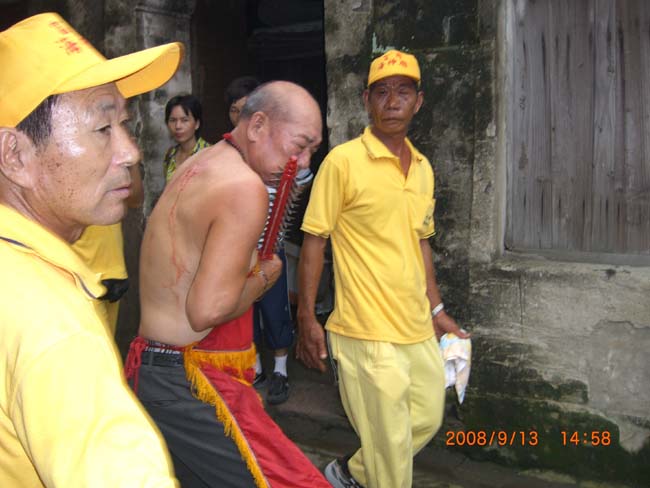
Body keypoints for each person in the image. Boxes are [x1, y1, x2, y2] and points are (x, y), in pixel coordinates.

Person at [0, 12, 182, 487]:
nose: (131, 152)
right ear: (15, 155)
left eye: (124, 125)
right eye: (103, 129)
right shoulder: (54, 328)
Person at [126, 81, 330, 487]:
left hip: (155, 367)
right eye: (300, 145)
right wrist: (267, 275)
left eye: (312, 150)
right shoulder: (244, 187)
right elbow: (208, 310)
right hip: (186, 377)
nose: (305, 161)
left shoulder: (204, 161)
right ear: (257, 126)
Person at [296, 49, 471, 488]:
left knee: (426, 417)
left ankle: (350, 473)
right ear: (366, 101)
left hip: (415, 324)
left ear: (419, 101)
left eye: (403, 92)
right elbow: (315, 240)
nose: (392, 102)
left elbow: (420, 242)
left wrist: (437, 310)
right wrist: (306, 318)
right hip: (365, 329)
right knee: (391, 452)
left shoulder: (423, 168)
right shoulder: (343, 162)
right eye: (382, 92)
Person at [224, 75, 301, 404]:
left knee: (274, 307)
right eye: (235, 110)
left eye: (247, 109)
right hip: (237, 248)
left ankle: (281, 370)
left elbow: (299, 180)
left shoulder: (277, 149)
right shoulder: (224, 154)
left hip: (270, 245)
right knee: (244, 308)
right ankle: (255, 367)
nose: (241, 117)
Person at [72, 164, 144, 333]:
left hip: (112, 270)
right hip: (77, 271)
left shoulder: (117, 160)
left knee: (105, 340)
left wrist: (132, 163)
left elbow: (135, 200)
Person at [163, 94, 210, 182]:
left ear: (197, 124)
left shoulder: (210, 153)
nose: (178, 126)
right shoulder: (170, 155)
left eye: (184, 120)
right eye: (173, 120)